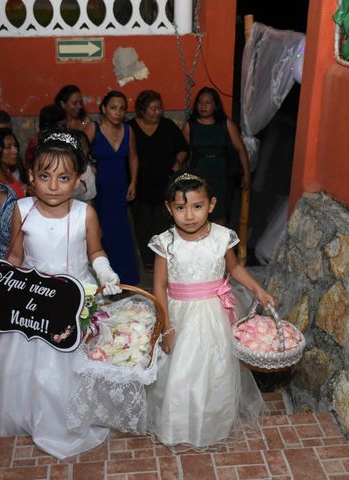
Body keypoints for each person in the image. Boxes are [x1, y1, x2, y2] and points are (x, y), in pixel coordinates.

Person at [0, 128, 122, 459]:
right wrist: (2, 288)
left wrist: (105, 272)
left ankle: (71, 418)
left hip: (73, 299)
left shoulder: (84, 213)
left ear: (78, 180)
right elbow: (15, 256)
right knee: (30, 367)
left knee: (71, 365)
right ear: (31, 175)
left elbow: (95, 251)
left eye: (63, 177)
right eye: (45, 176)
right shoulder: (22, 209)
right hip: (32, 302)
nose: (54, 186)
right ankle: (31, 416)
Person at [146, 172, 272, 449]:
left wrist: (256, 289)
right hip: (179, 315)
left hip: (214, 314)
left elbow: (235, 268)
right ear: (169, 208)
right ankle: (178, 422)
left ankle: (213, 422)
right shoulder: (165, 242)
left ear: (211, 204)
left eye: (197, 206)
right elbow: (159, 285)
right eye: (180, 208)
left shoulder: (222, 237)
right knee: (181, 371)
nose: (189, 215)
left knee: (215, 369)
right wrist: (166, 325)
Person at [128, 90, 188, 272]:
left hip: (164, 183)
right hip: (140, 184)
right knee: (142, 223)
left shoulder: (168, 126)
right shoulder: (130, 128)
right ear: (142, 110)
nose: (157, 112)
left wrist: (178, 161)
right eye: (153, 109)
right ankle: (147, 260)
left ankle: (161, 258)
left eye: (159, 108)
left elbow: (183, 148)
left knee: (162, 223)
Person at [89, 90, 139, 285]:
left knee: (122, 233)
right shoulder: (93, 129)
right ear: (103, 109)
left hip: (120, 188)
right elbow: (80, 155)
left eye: (122, 109)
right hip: (99, 191)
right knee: (101, 233)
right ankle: (105, 281)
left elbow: (133, 158)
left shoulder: (128, 130)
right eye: (113, 108)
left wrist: (133, 182)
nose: (118, 113)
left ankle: (125, 280)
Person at [182, 87, 251, 225]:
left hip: (222, 173)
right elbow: (183, 152)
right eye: (200, 102)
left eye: (208, 102)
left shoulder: (226, 123)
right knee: (199, 212)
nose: (203, 106)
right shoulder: (190, 126)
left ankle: (219, 245)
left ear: (215, 105)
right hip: (199, 173)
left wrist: (247, 174)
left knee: (220, 213)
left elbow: (241, 149)